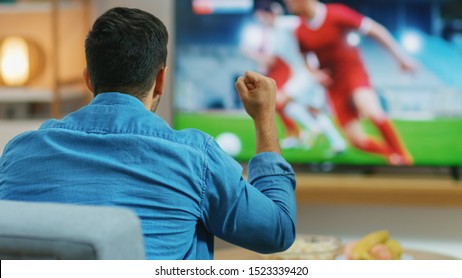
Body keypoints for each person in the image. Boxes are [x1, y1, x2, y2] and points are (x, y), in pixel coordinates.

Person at [0, 7, 296, 260]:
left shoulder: (18, 153)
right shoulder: (195, 157)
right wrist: (264, 118)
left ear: (89, 79)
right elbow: (278, 231)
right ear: (161, 80)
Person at [283, 0, 418, 165]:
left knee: (368, 107)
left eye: (289, 1)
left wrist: (401, 59)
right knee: (356, 141)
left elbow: (376, 30)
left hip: (353, 72)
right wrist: (315, 73)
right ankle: (393, 156)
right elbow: (304, 57)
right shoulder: (300, 30)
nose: (287, 5)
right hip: (333, 85)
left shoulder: (336, 13)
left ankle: (404, 158)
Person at [241, 1, 347, 154]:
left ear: (268, 14)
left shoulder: (288, 23)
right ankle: (338, 143)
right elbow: (269, 60)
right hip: (301, 74)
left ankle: (312, 130)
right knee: (310, 109)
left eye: (261, 17)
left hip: (308, 73)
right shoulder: (271, 35)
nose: (260, 21)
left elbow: (310, 31)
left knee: (281, 101)